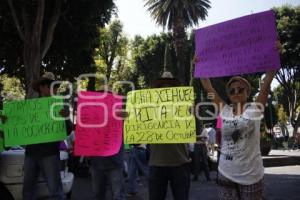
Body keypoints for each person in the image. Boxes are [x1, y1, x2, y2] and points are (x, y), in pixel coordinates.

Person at [197, 56, 276, 199]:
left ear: (247, 92)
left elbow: (266, 83)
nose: (236, 92)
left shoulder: (255, 109)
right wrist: (199, 65)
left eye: (240, 89)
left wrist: (275, 55)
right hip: (226, 174)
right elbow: (208, 87)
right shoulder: (225, 110)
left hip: (251, 176)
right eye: (232, 91)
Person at [0, 72, 73, 200]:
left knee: (56, 192)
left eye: (55, 86)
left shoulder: (60, 106)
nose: (54, 89)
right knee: (28, 192)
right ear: (41, 87)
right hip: (31, 154)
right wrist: (7, 121)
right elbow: (16, 126)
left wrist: (66, 118)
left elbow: (68, 131)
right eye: (50, 86)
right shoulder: (28, 107)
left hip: (50, 154)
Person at [148, 71, 191, 200]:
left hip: (180, 163)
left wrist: (193, 114)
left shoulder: (184, 106)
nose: (166, 88)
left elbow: (197, 130)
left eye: (169, 85)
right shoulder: (147, 108)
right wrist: (128, 118)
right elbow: (136, 131)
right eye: (162, 85)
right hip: (156, 164)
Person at [89, 85, 127, 200]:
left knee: (118, 196)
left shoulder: (121, 113)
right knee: (98, 195)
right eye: (101, 94)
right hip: (96, 163)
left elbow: (131, 133)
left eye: (108, 94)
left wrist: (125, 119)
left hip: (115, 163)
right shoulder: (91, 114)